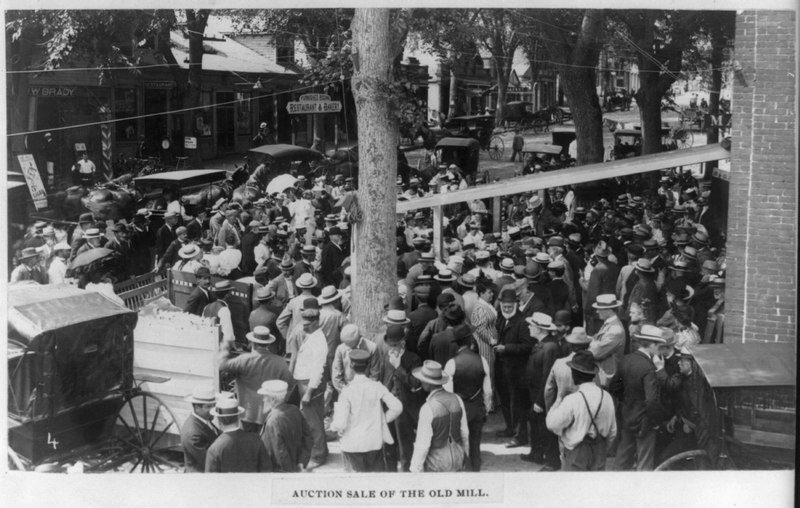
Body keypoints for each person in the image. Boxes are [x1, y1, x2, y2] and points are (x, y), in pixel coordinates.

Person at [331, 350, 403, 472]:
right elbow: (397, 407)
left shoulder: (347, 391)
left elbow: (340, 424)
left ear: (351, 366)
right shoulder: (377, 386)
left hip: (353, 444)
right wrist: (383, 420)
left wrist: (333, 427)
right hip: (373, 442)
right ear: (368, 366)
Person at [546, 350, 617, 471]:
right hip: (599, 449)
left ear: (575, 374)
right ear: (594, 374)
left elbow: (552, 424)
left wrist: (558, 401)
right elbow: (613, 432)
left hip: (576, 451)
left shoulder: (573, 399)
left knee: (575, 487)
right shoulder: (606, 396)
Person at [611, 324, 668, 471]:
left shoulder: (626, 359)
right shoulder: (649, 368)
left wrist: (628, 403)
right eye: (659, 346)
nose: (659, 350)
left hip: (627, 415)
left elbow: (614, 387)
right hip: (645, 420)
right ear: (652, 345)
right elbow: (652, 400)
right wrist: (656, 419)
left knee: (622, 460)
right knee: (645, 462)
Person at [218, 326, 295, 433]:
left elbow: (221, 365)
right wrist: (281, 402)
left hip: (246, 414)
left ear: (252, 343)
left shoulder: (244, 359)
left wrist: (225, 344)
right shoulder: (280, 362)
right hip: (269, 414)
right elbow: (290, 383)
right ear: (268, 343)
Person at [443, 326, 493, 471]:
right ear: (471, 340)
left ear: (456, 344)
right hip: (477, 408)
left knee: (459, 443)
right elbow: (488, 390)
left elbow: (448, 393)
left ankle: (463, 471)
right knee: (475, 443)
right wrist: (486, 408)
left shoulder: (451, 363)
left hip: (459, 409)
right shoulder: (482, 360)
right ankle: (476, 470)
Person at [289, 297, 330, 469]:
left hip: (310, 384)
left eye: (307, 324)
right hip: (304, 382)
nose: (304, 326)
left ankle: (318, 455)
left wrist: (308, 392)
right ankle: (323, 450)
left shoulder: (319, 341)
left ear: (316, 322)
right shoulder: (312, 335)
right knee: (315, 419)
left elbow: (318, 370)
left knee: (312, 423)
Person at [409, 361, 469, 473]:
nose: (421, 382)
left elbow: (423, 445)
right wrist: (465, 453)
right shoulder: (457, 399)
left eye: (423, 380)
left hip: (436, 462)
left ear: (428, 383)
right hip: (457, 456)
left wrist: (415, 468)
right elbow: (464, 432)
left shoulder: (427, 408)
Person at [380, 324, 425, 472]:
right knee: (388, 444)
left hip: (406, 411)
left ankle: (406, 475)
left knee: (405, 447)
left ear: (403, 343)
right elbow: (382, 381)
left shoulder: (414, 359)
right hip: (388, 408)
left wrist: (399, 367)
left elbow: (416, 385)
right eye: (389, 346)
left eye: (395, 345)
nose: (391, 349)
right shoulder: (385, 358)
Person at [494, 288, 534, 446]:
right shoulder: (501, 318)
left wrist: (506, 348)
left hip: (517, 370)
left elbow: (527, 346)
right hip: (502, 368)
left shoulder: (523, 322)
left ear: (516, 305)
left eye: (510, 306)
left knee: (517, 403)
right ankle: (510, 428)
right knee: (504, 400)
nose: (507, 309)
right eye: (504, 306)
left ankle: (520, 435)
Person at [522, 312, 562, 470]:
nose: (529, 327)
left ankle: (552, 461)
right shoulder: (542, 344)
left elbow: (548, 377)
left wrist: (540, 401)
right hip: (535, 393)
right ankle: (536, 453)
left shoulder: (550, 347)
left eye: (532, 325)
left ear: (540, 329)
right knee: (535, 424)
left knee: (546, 428)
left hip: (544, 396)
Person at [258, 380, 313, 472]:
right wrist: (302, 462)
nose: (263, 399)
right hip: (296, 466)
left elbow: (280, 454)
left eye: (265, 396)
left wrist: (291, 473)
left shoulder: (273, 421)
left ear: (272, 399)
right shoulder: (295, 410)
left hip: (281, 472)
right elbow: (308, 437)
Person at [204, 397, 270, 472]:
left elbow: (210, 481)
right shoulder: (256, 439)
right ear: (238, 416)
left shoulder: (214, 449)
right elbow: (266, 470)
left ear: (219, 420)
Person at [588, 294, 627, 389]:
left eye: (599, 309)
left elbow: (596, 353)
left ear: (608, 310)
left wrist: (592, 342)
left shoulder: (615, 330)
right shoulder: (609, 324)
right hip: (603, 374)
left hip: (607, 377)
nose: (597, 311)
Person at [180, 386, 221, 473]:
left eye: (214, 405)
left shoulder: (204, 420)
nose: (213, 409)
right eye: (208, 406)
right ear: (197, 408)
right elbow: (209, 461)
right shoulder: (193, 434)